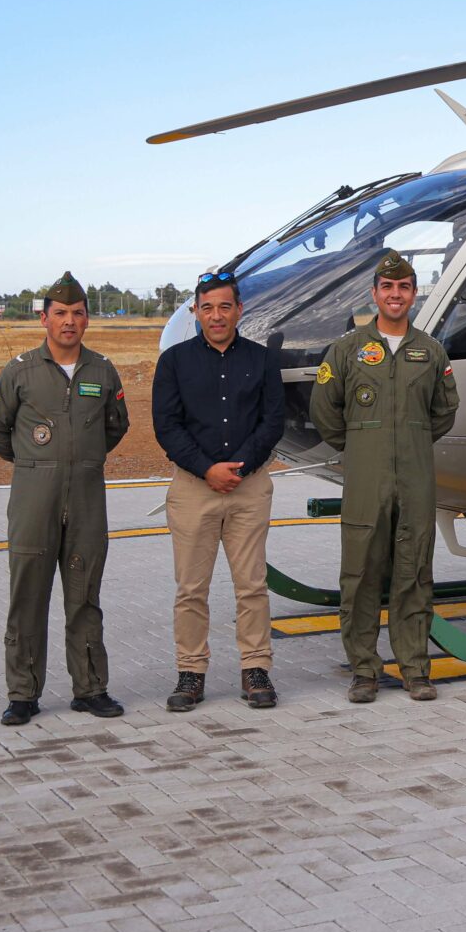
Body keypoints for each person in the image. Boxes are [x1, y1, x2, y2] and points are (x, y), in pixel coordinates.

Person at [309, 251, 460, 703]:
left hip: (415, 478)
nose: (396, 295)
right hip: (365, 478)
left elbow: (444, 411)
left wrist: (407, 441)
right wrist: (360, 446)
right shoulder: (347, 349)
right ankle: (364, 670)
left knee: (414, 572)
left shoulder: (430, 351)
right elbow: (324, 410)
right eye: (388, 288)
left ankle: (415, 668)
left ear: (414, 294)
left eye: (405, 288)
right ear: (374, 293)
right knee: (360, 574)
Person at [0, 273, 130, 726]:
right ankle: (23, 693)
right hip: (33, 501)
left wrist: (80, 461)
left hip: (86, 498)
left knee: (84, 597)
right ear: (44, 318)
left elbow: (115, 427)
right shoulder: (20, 370)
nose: (69, 321)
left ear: (87, 320)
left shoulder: (102, 370)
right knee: (27, 596)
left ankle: (90, 688)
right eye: (60, 314)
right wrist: (35, 463)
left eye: (78, 313)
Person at [153, 271, 287, 712]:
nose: (216, 315)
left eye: (224, 306)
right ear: (196, 312)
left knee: (252, 585)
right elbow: (167, 426)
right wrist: (207, 469)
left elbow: (272, 422)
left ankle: (256, 668)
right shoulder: (174, 362)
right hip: (194, 488)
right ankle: (191, 672)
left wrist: (240, 467)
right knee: (191, 587)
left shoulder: (262, 360)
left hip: (249, 487)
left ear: (239, 311)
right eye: (207, 307)